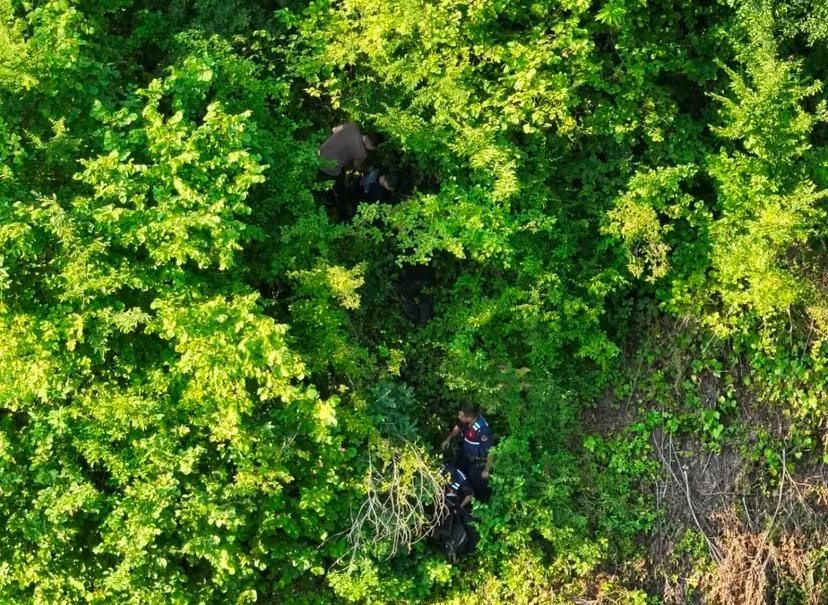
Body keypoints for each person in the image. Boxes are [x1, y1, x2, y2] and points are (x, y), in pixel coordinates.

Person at [441, 405, 493, 502]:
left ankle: (481, 504)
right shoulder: (466, 421)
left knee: (478, 484)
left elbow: (491, 451)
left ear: (468, 417)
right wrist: (448, 439)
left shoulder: (482, 429)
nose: (458, 417)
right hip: (465, 455)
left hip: (477, 462)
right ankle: (460, 498)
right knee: (459, 474)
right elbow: (458, 427)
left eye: (460, 415)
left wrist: (486, 469)